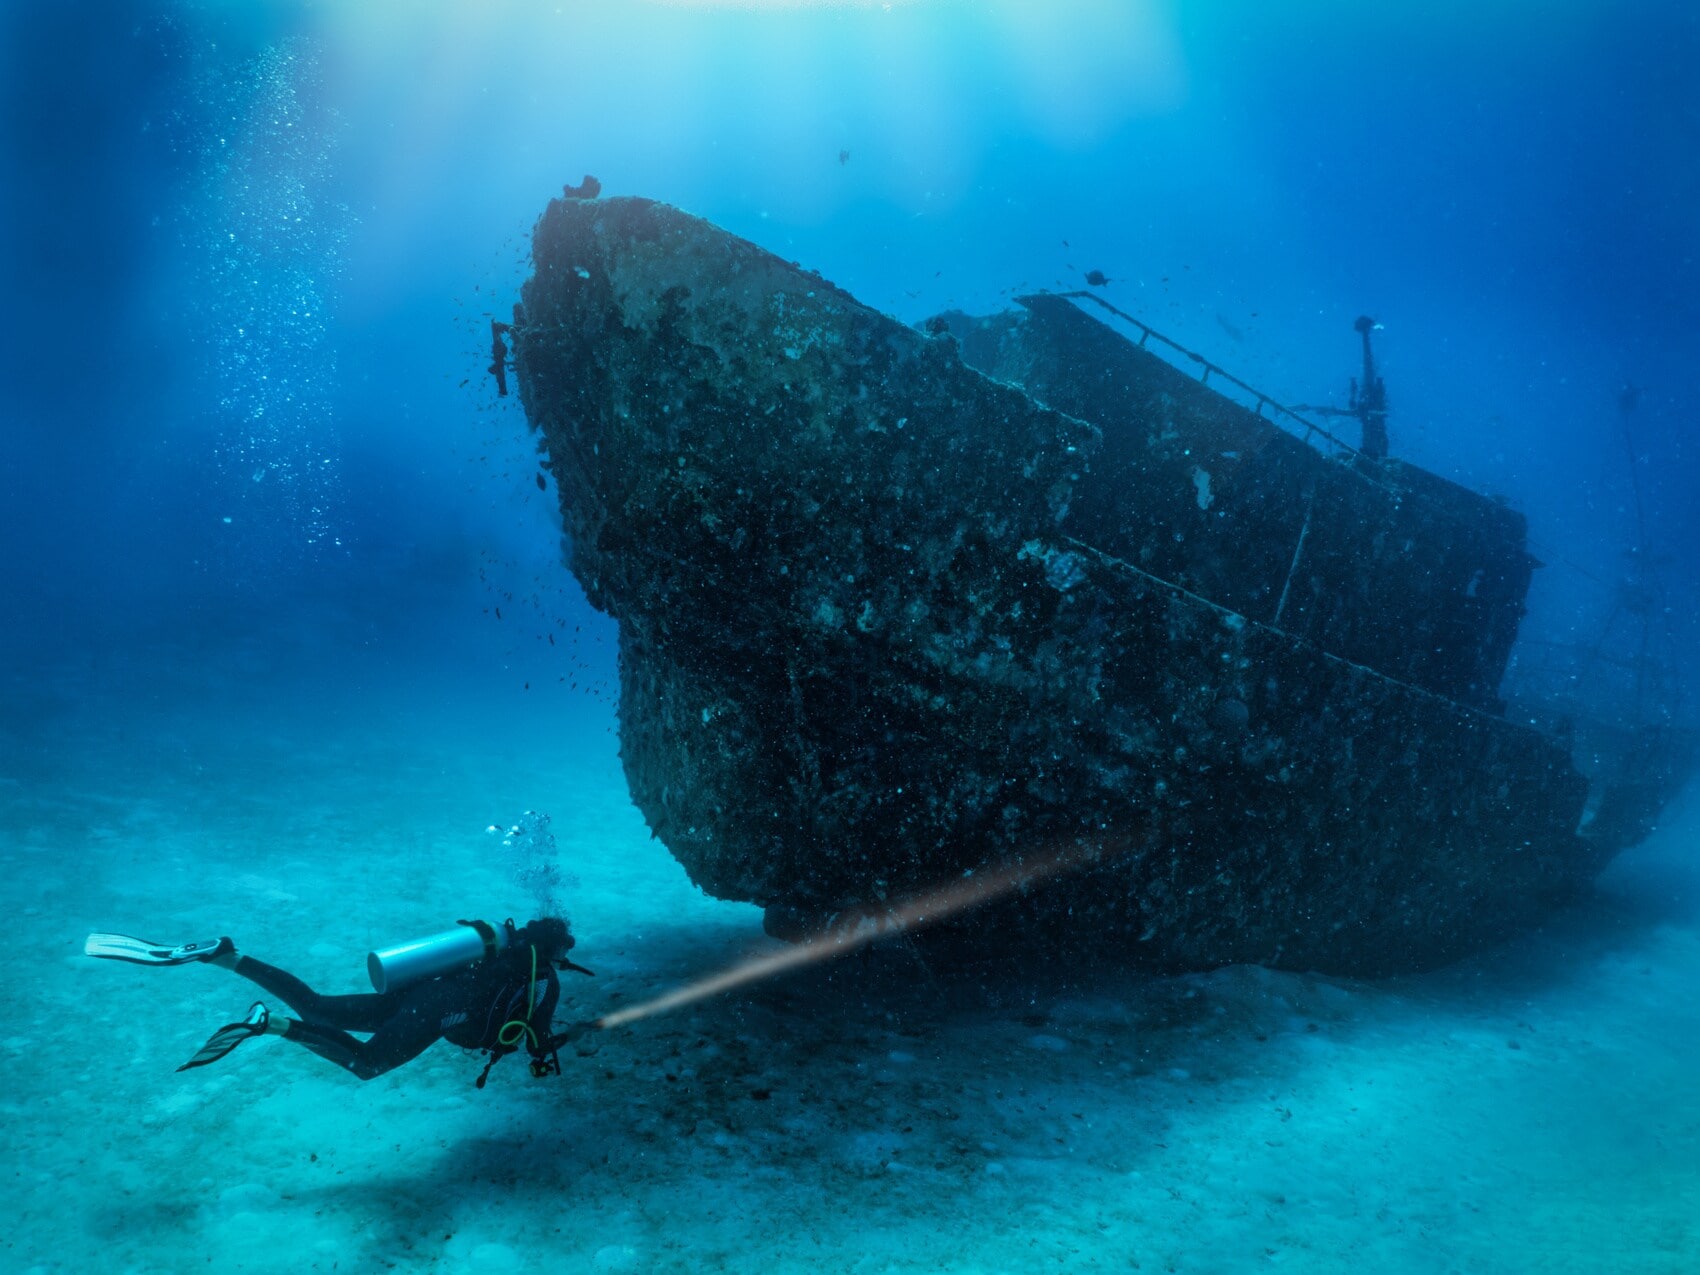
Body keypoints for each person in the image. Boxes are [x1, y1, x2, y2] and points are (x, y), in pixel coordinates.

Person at [86, 918, 591, 1085]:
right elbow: (538, 1043)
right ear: (556, 953)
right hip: (435, 1011)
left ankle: (228, 957)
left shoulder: (492, 950)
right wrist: (547, 1054)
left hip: (417, 992)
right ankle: (270, 1026)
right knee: (367, 1063)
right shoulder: (543, 982)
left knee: (320, 1005)